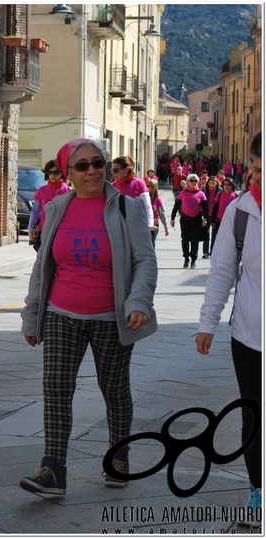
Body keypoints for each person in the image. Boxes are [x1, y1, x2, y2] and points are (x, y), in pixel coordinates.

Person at [19, 138, 158, 495]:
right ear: (68, 173)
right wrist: (32, 313)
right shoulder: (57, 208)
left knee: (113, 389)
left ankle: (119, 455)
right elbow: (42, 265)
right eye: (82, 165)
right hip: (61, 312)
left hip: (112, 316)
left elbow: (145, 260)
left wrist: (139, 300)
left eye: (98, 162)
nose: (93, 170)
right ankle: (53, 469)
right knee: (56, 387)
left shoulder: (127, 207)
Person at [196, 132, 261, 527]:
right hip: (251, 338)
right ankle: (259, 491)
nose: (256, 178)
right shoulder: (240, 210)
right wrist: (208, 322)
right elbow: (222, 271)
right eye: (255, 169)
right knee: (254, 417)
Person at [28, 159, 72, 251]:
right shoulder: (41, 190)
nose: (52, 175)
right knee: (42, 258)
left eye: (56, 172)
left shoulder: (68, 191)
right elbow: (35, 211)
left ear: (62, 173)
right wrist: (30, 227)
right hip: (44, 230)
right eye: (50, 172)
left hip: (61, 230)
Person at [170, 174, 208, 268]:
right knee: (185, 239)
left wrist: (205, 219)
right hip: (185, 220)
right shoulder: (183, 193)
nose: (193, 183)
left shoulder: (201, 194)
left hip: (196, 219)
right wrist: (172, 218)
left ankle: (193, 259)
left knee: (195, 240)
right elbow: (176, 206)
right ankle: (186, 258)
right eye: (191, 181)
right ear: (187, 182)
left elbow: (205, 208)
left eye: (195, 181)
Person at [110, 155, 154, 225]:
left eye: (116, 170)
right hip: (117, 227)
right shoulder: (111, 186)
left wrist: (149, 224)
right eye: (112, 170)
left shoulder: (139, 184)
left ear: (126, 170)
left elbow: (146, 206)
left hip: (136, 225)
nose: (113, 173)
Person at [146, 178, 169, 247]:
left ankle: (151, 257)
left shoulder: (157, 200)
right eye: (146, 185)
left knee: (151, 243)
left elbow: (162, 214)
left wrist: (166, 227)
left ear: (153, 188)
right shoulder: (143, 197)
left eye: (148, 186)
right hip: (144, 223)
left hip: (154, 224)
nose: (146, 188)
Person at [201, 175, 220, 258]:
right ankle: (205, 252)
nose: (212, 185)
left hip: (215, 216)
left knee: (214, 235)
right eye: (211, 183)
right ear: (208, 184)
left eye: (214, 183)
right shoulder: (205, 191)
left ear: (216, 184)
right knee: (206, 234)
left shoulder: (219, 192)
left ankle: (213, 252)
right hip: (207, 215)